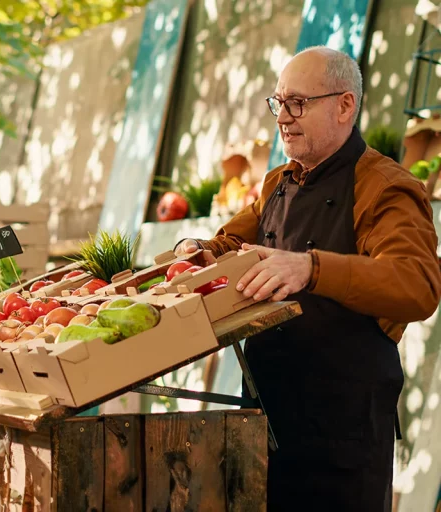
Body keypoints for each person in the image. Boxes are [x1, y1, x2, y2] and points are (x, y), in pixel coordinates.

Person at [176, 46, 441, 510]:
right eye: (278, 102)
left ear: (345, 106)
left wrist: (311, 267)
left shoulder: (387, 187)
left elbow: (416, 284)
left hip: (340, 441)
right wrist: (197, 252)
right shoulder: (278, 181)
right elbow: (231, 242)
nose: (283, 117)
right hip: (264, 418)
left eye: (298, 103)